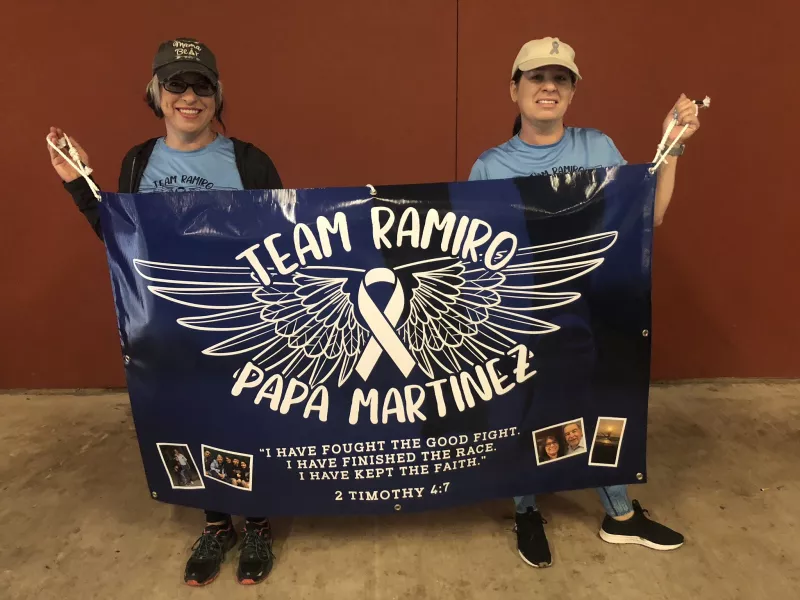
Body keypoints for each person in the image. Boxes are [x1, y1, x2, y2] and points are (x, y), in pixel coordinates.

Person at [46, 37, 282, 587]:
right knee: (185, 423)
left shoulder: (250, 162)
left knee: (244, 422)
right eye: (177, 84)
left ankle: (258, 523)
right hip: (166, 329)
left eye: (203, 85)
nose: (190, 97)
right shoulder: (138, 162)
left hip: (239, 323)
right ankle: (217, 523)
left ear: (217, 95)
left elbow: (283, 245)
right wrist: (78, 187)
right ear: (156, 92)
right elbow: (120, 242)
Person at [468, 36, 696, 569]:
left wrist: (674, 143)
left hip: (593, 315)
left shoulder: (598, 148)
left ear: (571, 93)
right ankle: (526, 509)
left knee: (602, 409)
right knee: (527, 411)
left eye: (561, 79)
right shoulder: (489, 165)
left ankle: (619, 514)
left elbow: (648, 216)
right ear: (514, 89)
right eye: (536, 77)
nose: (549, 87)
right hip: (522, 322)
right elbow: (473, 257)